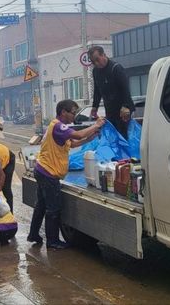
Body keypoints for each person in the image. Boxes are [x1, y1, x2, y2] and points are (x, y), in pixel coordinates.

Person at [27, 99, 105, 249]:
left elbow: (72, 143)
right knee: (53, 208)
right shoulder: (59, 126)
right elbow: (77, 135)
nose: (74, 116)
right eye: (73, 113)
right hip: (49, 173)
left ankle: (33, 234)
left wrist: (90, 138)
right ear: (64, 112)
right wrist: (96, 125)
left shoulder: (55, 126)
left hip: (43, 169)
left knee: (42, 205)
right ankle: (52, 241)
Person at [88, 45, 135, 139]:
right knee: (113, 137)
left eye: (97, 59)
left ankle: (127, 153)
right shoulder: (96, 71)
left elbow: (125, 88)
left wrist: (126, 106)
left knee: (124, 136)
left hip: (123, 110)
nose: (96, 63)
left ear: (104, 55)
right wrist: (95, 106)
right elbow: (97, 90)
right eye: (93, 62)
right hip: (110, 109)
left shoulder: (116, 68)